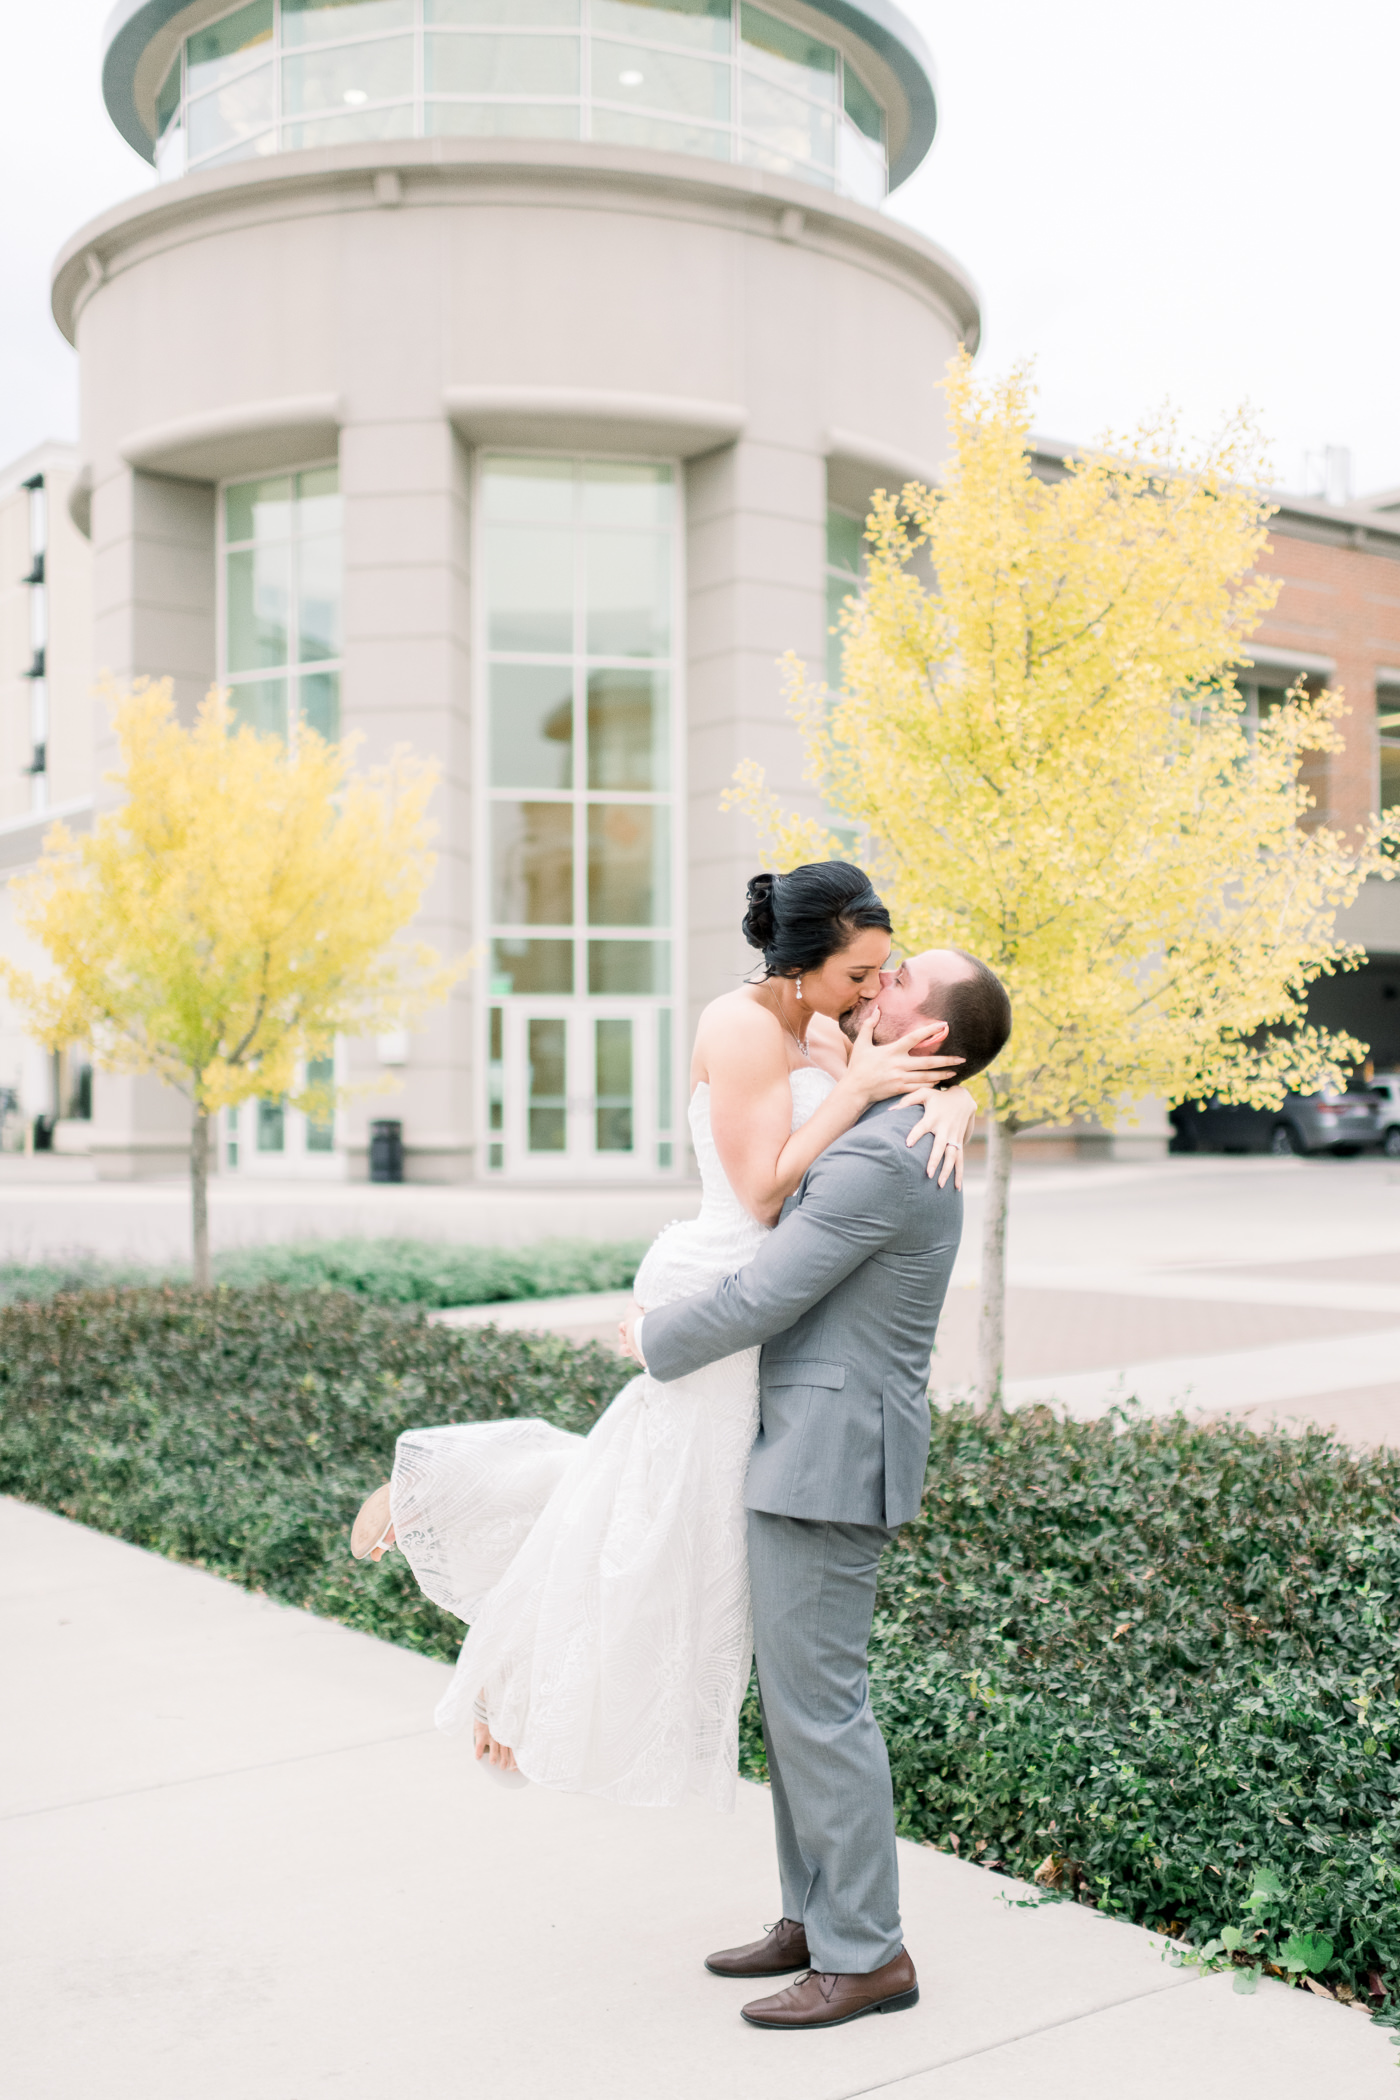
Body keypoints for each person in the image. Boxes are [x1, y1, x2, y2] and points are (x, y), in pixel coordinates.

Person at [349, 863, 976, 1813]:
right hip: (723, 1275)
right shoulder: (739, 1024)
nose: (869, 994)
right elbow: (765, 1192)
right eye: (860, 975)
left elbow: (918, 1076)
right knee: (663, 1508)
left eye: (882, 977)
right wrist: (858, 1092)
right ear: (804, 965)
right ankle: (485, 1603)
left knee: (664, 1495)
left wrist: (953, 1097)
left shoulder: (825, 1023)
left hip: (763, 1290)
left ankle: (508, 1659)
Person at [621, 942, 1012, 2029]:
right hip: (811, 1445)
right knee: (797, 1707)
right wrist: (953, 1099)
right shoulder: (888, 1121)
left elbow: (760, 1297)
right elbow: (827, 1042)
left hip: (826, 1457)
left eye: (892, 983)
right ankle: (812, 1914)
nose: (865, 990)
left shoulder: (880, 1157)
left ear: (923, 1037)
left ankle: (866, 1952)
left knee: (821, 1710)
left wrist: (649, 1336)